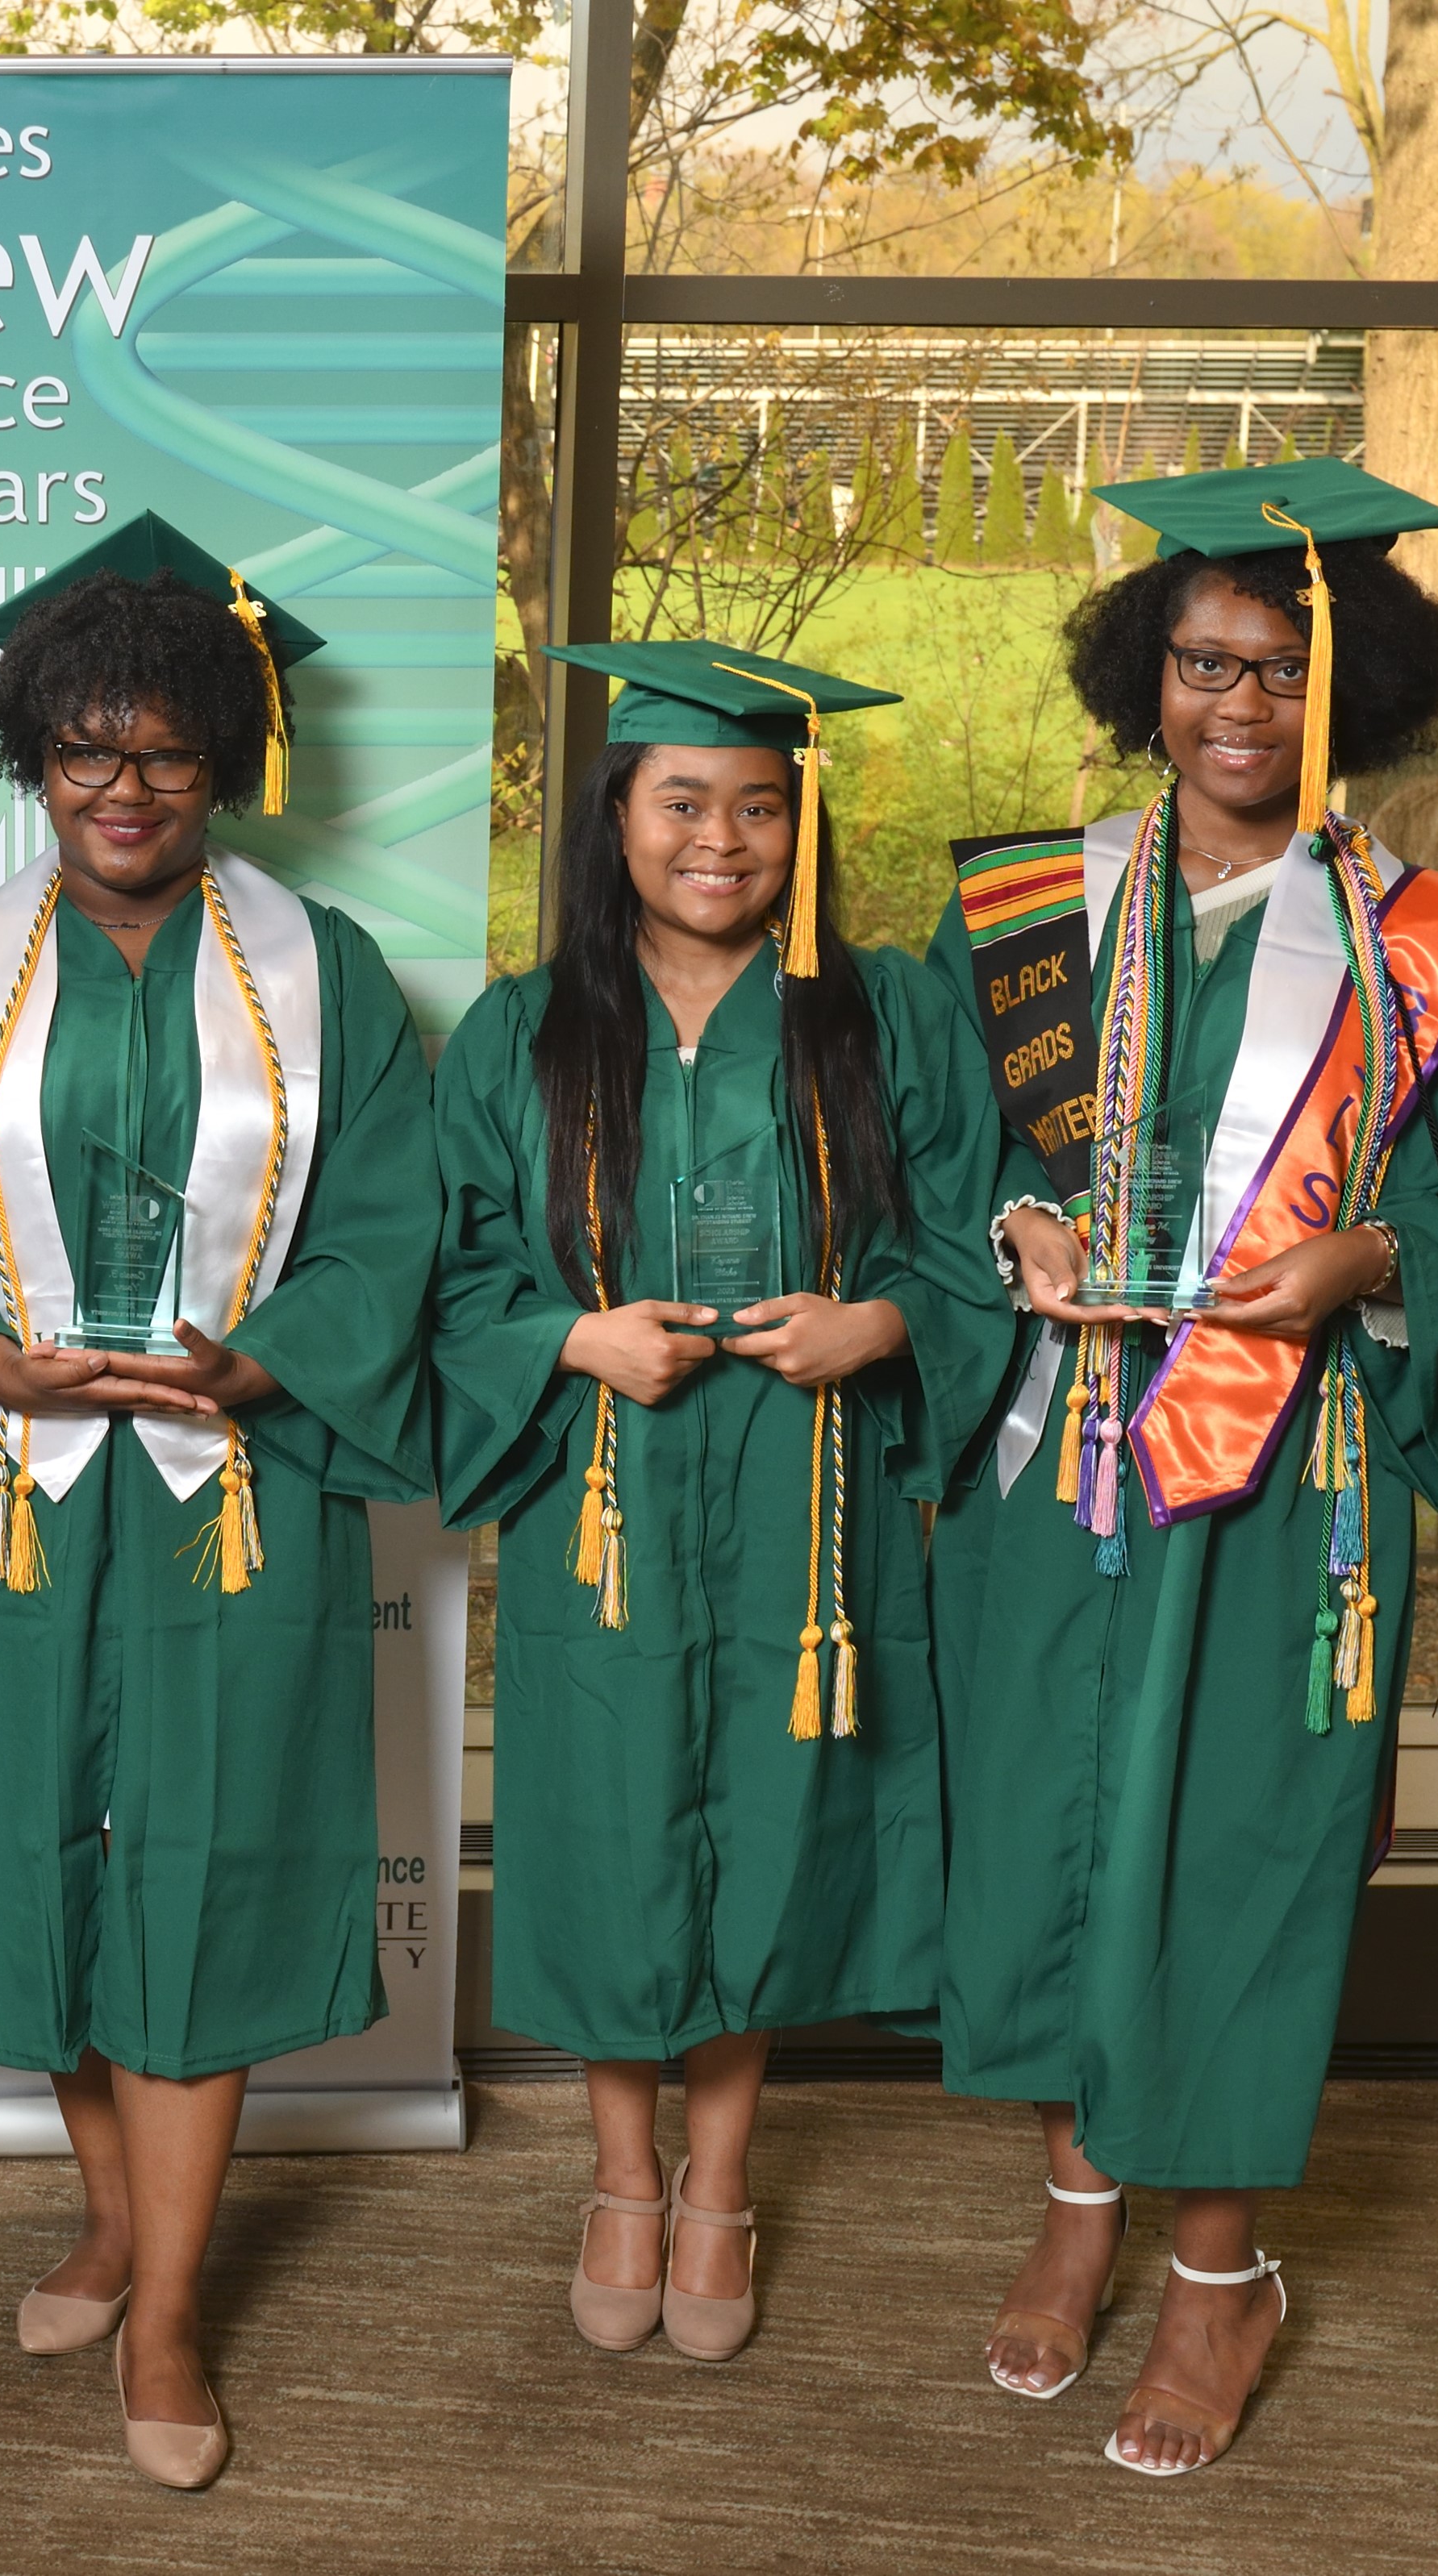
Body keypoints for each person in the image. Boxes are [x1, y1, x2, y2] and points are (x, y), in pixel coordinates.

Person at [927, 460, 1438, 2475]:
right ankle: (1076, 2201)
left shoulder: (1428, 940)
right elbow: (951, 1152)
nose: (1240, 703)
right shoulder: (1026, 907)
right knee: (1044, 1827)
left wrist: (1370, 1254)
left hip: (1292, 1467)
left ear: (1356, 687)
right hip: (1057, 1451)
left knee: (1240, 1849)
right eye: (1203, 661)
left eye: (1284, 667)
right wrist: (1014, 1224)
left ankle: (1218, 2270)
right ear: (1145, 673)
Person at [0, 514, 434, 2489]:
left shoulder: (319, 967)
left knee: (199, 1862)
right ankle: (112, 2210)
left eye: (166, 749)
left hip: (215, 1490)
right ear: (28, 754)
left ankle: (169, 2297)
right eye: (84, 748)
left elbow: (390, 1227)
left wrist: (266, 1359)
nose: (124, 788)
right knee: (37, 1861)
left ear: (223, 761)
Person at [432, 642, 1012, 2360]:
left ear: (801, 828)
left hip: (804, 1484)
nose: (723, 837)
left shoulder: (886, 1008)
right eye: (684, 800)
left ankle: (724, 2174)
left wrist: (883, 1319)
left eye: (762, 806)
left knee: (774, 1818)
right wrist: (567, 1333)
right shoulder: (523, 1030)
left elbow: (975, 1234)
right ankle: (621, 2172)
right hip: (604, 1490)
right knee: (612, 1824)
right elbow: (451, 1267)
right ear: (616, 816)